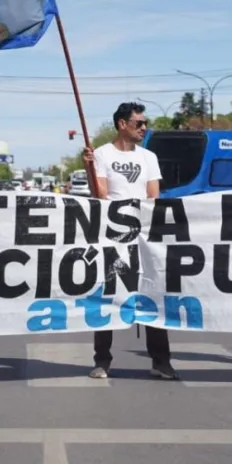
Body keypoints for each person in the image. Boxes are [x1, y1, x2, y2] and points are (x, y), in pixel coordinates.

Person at [82, 102, 178, 380]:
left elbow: (153, 197)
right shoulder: (101, 154)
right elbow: (101, 195)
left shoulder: (149, 157)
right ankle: (102, 361)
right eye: (139, 123)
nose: (144, 128)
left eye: (145, 123)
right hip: (111, 235)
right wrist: (88, 168)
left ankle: (161, 361)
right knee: (108, 297)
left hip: (144, 236)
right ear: (122, 124)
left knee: (152, 296)